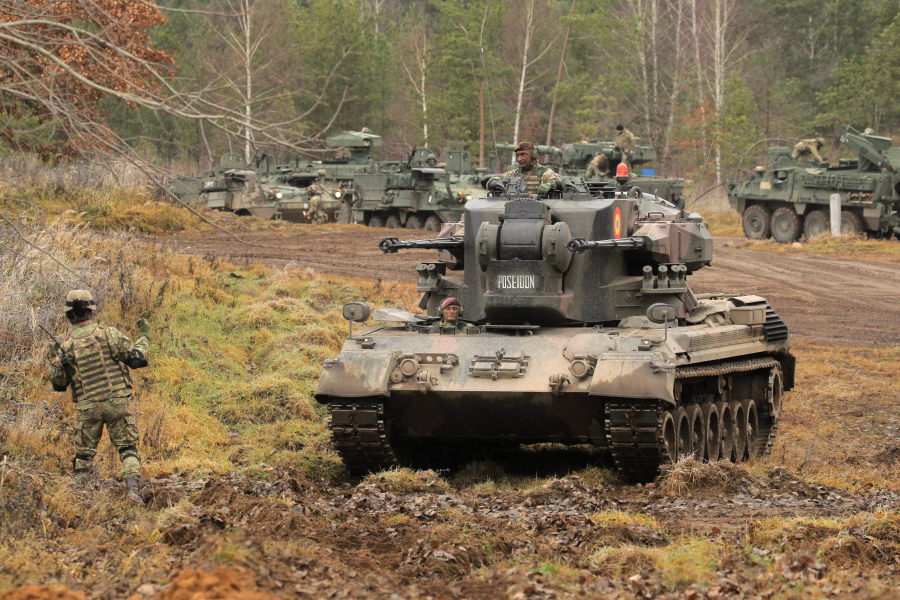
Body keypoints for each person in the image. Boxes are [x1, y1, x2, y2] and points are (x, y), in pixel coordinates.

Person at [48, 290, 150, 506]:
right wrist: (144, 335)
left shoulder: (66, 347)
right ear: (92, 312)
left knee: (84, 455)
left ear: (68, 316)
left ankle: (83, 499)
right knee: (127, 448)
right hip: (117, 403)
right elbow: (136, 360)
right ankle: (132, 492)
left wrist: (54, 360)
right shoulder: (109, 335)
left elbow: (58, 385)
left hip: (88, 407)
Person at [486, 141, 561, 196]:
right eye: (518, 155)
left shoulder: (545, 173)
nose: (519, 159)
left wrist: (550, 185)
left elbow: (562, 183)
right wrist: (497, 183)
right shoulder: (513, 174)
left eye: (523, 154)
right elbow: (490, 182)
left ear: (534, 155)